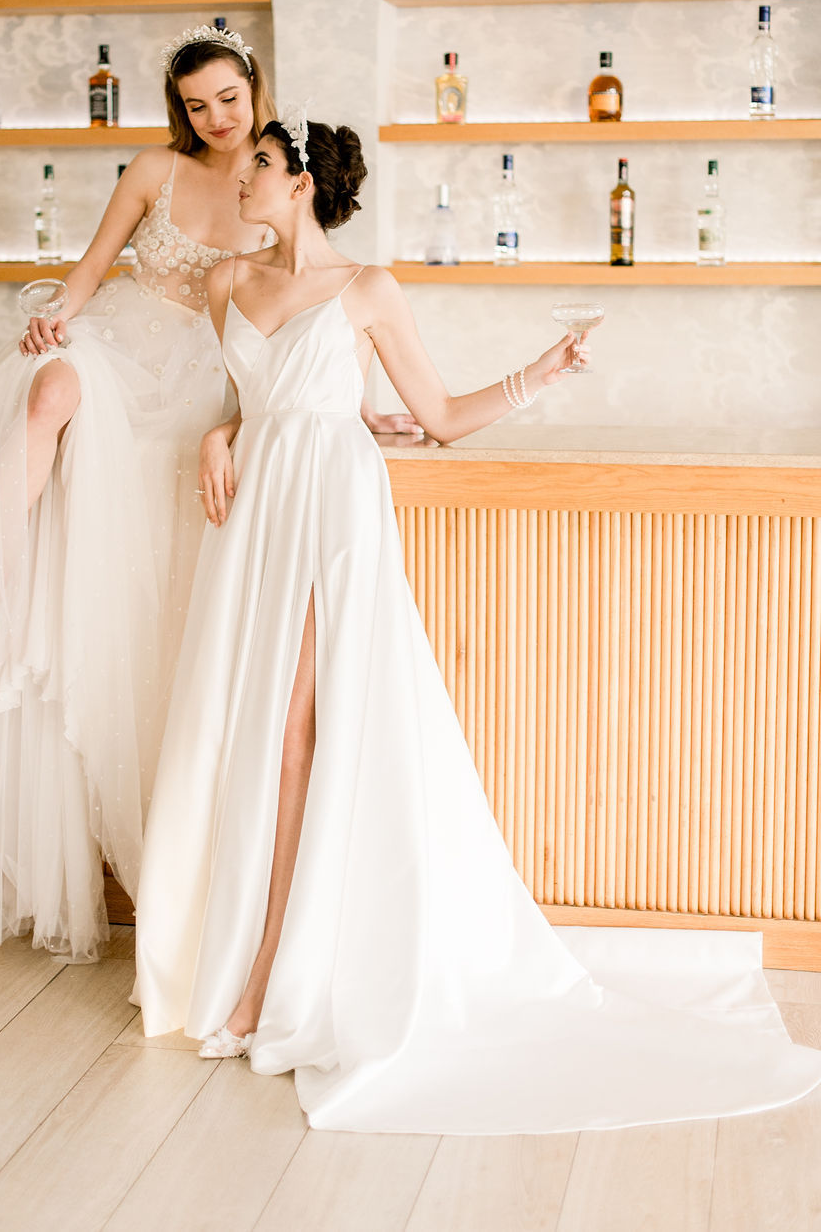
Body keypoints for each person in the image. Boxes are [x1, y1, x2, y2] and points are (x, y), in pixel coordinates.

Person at [132, 111, 821, 1134]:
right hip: (256, 519)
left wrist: (539, 374)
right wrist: (217, 434)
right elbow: (246, 390)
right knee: (247, 738)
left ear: (305, 184)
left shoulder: (365, 290)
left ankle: (271, 979)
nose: (242, 180)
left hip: (333, 511)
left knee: (298, 741)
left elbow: (440, 417)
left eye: (262, 168)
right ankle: (246, 964)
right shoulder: (230, 282)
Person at [0, 28, 418, 964]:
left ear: (255, 89)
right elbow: (93, 265)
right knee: (46, 392)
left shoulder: (280, 180)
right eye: (199, 104)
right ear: (181, 108)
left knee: (170, 559)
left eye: (230, 99)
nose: (217, 118)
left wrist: (355, 410)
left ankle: (187, 867)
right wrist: (61, 315)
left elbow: (313, 310)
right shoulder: (150, 168)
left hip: (210, 378)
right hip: (121, 351)